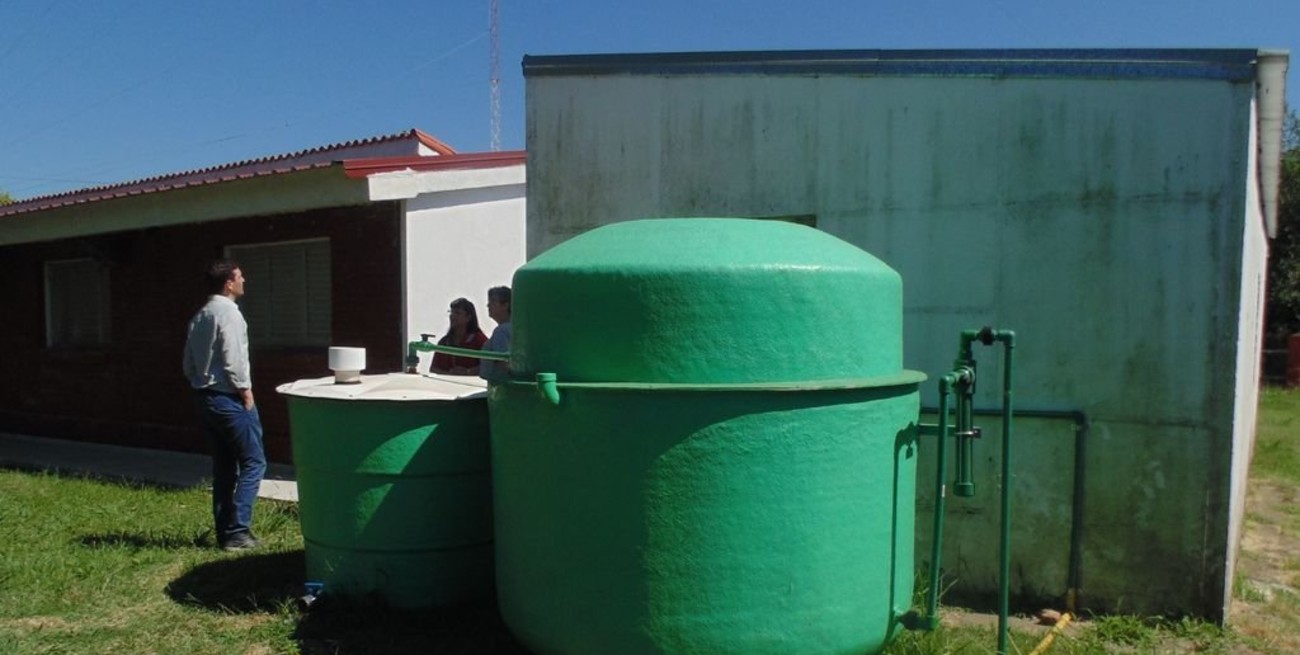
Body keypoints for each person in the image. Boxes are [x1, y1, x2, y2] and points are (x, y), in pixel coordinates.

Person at [182, 259, 266, 552]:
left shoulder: (201, 315)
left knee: (224, 467)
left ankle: (224, 532)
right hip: (229, 397)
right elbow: (234, 358)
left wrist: (200, 383)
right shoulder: (229, 314)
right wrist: (245, 391)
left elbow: (188, 363)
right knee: (254, 462)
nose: (244, 280)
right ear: (229, 283)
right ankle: (238, 531)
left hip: (204, 397)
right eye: (240, 276)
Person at [430, 297, 489, 375]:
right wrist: (449, 374)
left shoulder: (479, 340)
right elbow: (433, 369)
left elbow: (489, 365)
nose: (452, 316)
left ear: (468, 317)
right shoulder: (444, 342)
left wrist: (468, 372)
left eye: (457, 313)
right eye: (451, 312)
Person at [480, 286, 512, 383]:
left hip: (500, 385)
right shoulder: (515, 328)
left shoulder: (501, 331)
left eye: (493, 301)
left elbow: (504, 363)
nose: (488, 305)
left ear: (505, 305)